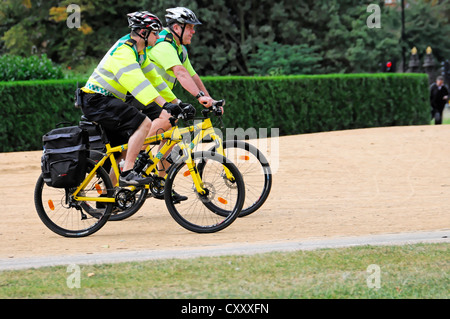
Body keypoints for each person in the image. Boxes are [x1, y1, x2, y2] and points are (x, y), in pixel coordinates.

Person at [80, 11, 187, 186]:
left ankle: (108, 199)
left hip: (106, 101)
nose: (158, 37)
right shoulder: (124, 51)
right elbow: (138, 85)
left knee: (122, 150)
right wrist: (165, 104)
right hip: (96, 100)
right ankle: (128, 172)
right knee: (144, 123)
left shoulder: (140, 53)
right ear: (143, 33)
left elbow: (156, 81)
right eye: (155, 33)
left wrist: (178, 104)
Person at [147, 7, 219, 110]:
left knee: (172, 119)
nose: (193, 32)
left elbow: (192, 75)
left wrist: (209, 99)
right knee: (167, 120)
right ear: (176, 28)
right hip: (143, 96)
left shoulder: (179, 48)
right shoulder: (163, 45)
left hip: (157, 97)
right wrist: (199, 96)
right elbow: (181, 73)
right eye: (189, 27)